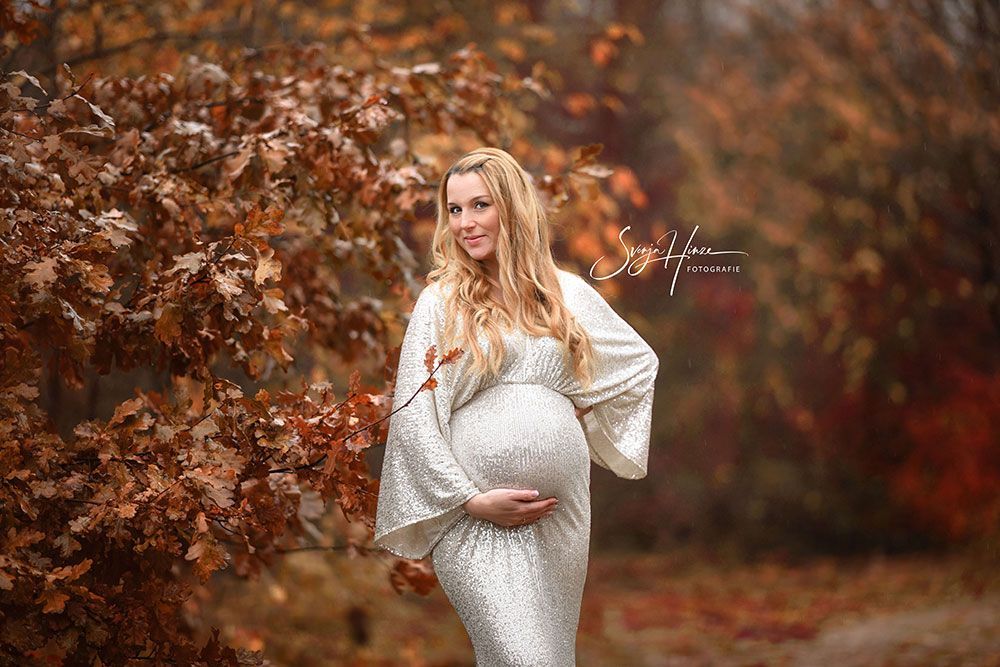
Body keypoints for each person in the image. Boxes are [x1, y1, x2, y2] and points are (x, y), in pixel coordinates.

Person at [373, 147, 659, 665]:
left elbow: (638, 364)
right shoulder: (442, 302)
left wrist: (577, 417)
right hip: (473, 520)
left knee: (548, 657)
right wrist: (468, 500)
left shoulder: (562, 293)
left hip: (559, 520)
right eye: (454, 210)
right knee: (525, 657)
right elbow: (414, 416)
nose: (464, 223)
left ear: (513, 206)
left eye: (479, 205)